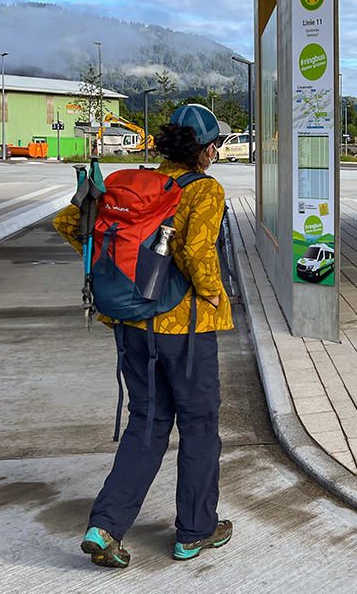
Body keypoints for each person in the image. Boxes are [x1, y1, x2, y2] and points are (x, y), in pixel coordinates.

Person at [53, 103, 233, 568]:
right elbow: (196, 250)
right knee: (198, 426)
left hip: (133, 327)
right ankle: (195, 531)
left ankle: (104, 526)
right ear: (207, 150)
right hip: (185, 332)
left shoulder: (130, 185)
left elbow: (69, 223)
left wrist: (108, 268)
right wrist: (212, 293)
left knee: (147, 422)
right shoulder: (205, 190)